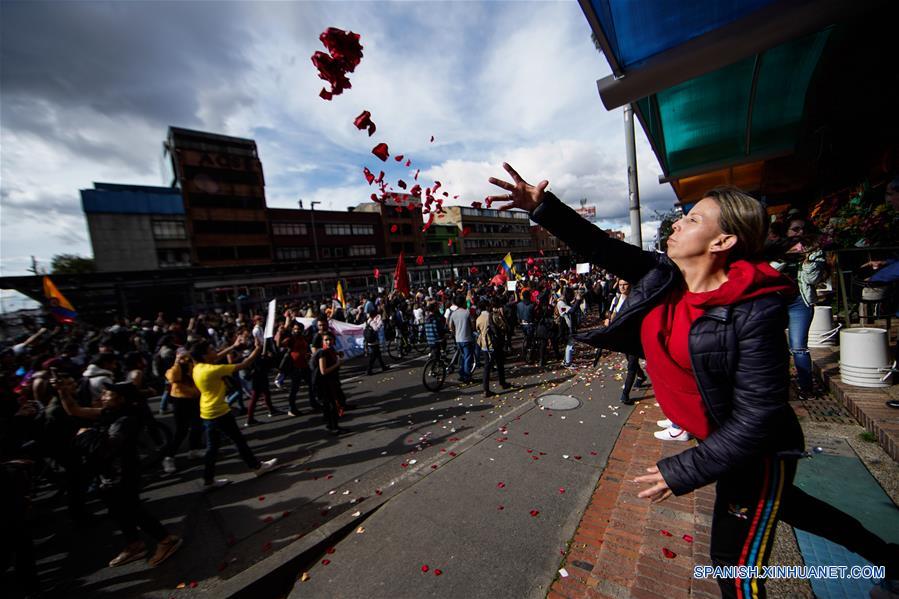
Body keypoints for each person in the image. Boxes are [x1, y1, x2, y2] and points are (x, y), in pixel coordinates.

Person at [488, 164, 898, 598]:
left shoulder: (754, 309)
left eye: (693, 219)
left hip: (754, 455)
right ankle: (891, 558)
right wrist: (542, 207)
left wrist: (682, 470)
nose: (678, 222)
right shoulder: (663, 275)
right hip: (720, 444)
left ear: (723, 242)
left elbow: (759, 417)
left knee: (733, 569)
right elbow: (599, 246)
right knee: (801, 511)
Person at [57, 379, 183, 568]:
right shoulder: (110, 413)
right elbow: (75, 410)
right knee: (117, 510)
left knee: (132, 508)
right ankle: (134, 544)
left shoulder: (125, 420)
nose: (102, 397)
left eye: (108, 394)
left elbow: (107, 447)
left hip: (122, 472)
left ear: (121, 399)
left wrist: (85, 436)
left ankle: (166, 540)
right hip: (107, 474)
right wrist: (62, 393)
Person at [190, 335, 279, 489]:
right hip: (220, 412)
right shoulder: (213, 370)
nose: (214, 351)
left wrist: (233, 346)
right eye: (211, 349)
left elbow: (217, 356)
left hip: (207, 412)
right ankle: (256, 467)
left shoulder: (198, 367)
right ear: (204, 354)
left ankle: (208, 480)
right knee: (239, 441)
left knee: (212, 448)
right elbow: (245, 364)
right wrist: (258, 348)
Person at [771, 217, 828, 400]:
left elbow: (812, 280)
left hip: (799, 302)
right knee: (774, 345)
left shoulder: (815, 251)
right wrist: (785, 257)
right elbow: (768, 274)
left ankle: (806, 388)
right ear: (786, 232)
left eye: (802, 229)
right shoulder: (774, 249)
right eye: (795, 229)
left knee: (798, 347)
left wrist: (807, 260)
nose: (799, 233)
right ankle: (778, 386)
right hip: (775, 302)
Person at [161, 348, 203, 474]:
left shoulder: (192, 365)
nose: (185, 359)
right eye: (182, 356)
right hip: (180, 401)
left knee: (197, 425)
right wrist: (177, 362)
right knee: (181, 430)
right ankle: (168, 457)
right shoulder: (175, 369)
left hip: (194, 398)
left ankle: (194, 450)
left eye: (186, 356)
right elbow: (171, 377)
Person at [312, 332, 349, 435]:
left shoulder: (331, 350)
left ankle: (332, 425)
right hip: (324, 383)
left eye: (330, 339)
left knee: (333, 404)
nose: (328, 342)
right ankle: (333, 427)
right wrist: (337, 364)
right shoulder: (322, 353)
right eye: (326, 340)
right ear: (322, 341)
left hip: (331, 381)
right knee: (331, 405)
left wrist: (338, 355)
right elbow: (323, 371)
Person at [476, 298, 511, 397]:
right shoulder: (494, 316)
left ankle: (485, 389)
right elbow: (504, 327)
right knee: (500, 363)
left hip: (484, 344)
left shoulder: (479, 318)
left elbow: (478, 330)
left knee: (487, 367)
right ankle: (502, 382)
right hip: (495, 344)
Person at [447, 293, 474, 384]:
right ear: (463, 303)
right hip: (467, 338)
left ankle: (462, 373)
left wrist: (455, 332)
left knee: (463, 357)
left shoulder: (453, 314)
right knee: (467, 357)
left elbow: (451, 326)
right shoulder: (467, 312)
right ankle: (467, 376)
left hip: (458, 338)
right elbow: (473, 325)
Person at [364, 311, 389, 375]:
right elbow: (376, 329)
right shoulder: (372, 322)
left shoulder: (368, 321)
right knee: (373, 356)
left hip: (371, 341)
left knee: (378, 354)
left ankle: (383, 366)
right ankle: (369, 370)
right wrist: (379, 323)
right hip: (373, 341)